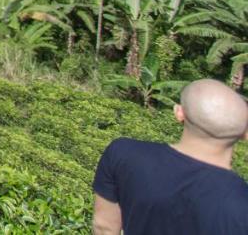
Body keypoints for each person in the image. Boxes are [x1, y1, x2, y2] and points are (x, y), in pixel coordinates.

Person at [92, 78, 248, 234]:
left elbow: (104, 227)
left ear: (179, 113)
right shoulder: (242, 202)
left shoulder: (123, 154)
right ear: (245, 133)